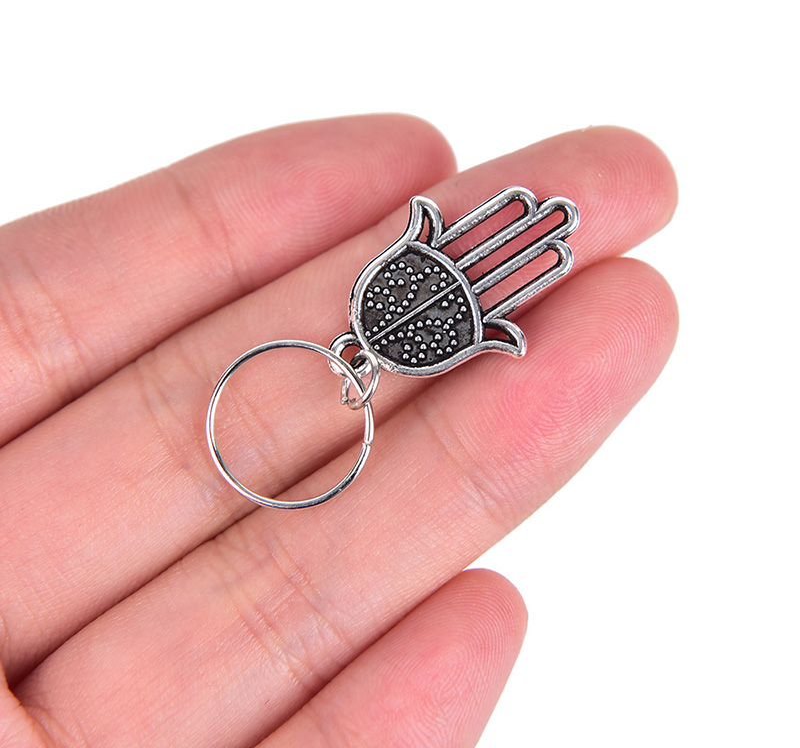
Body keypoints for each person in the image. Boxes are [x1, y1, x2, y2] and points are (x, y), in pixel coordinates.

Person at [0, 114, 678, 747]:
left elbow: (427, 247)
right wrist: (448, 302)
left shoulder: (403, 303)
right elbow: (429, 253)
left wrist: (443, 292)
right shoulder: (398, 308)